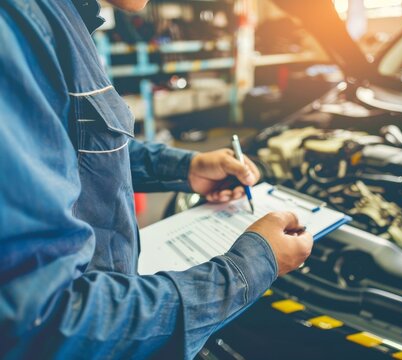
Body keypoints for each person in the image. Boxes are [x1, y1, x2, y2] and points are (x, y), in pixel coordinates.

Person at [0, 0, 313, 359]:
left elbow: (64, 148)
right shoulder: (16, 28)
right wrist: (250, 268)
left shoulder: (60, 17)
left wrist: (182, 167)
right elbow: (42, 324)